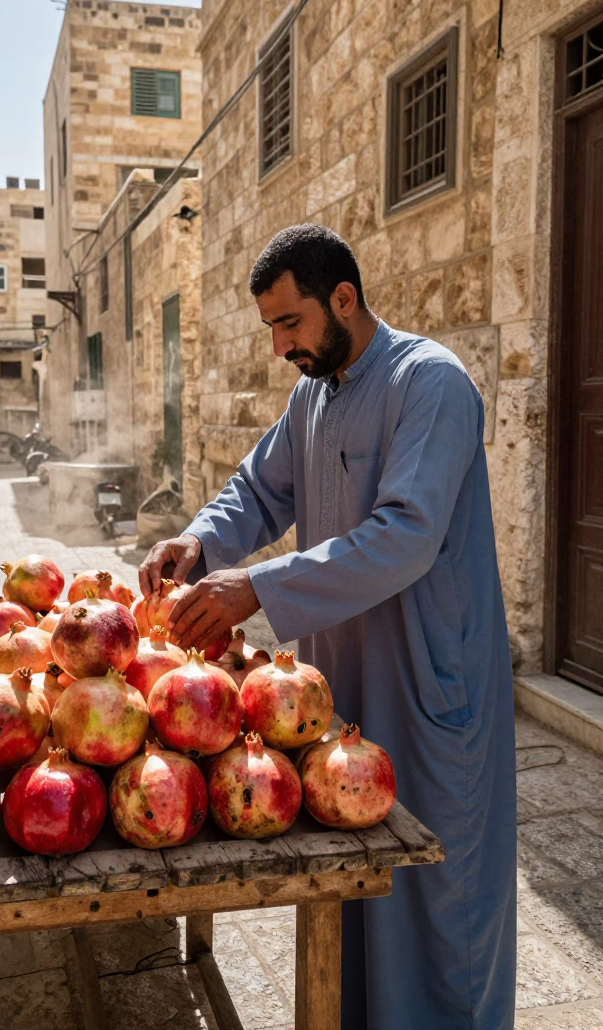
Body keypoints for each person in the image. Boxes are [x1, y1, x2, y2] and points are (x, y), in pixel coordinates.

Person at [139, 224, 516, 1030]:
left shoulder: (432, 385)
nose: (281, 346)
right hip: (337, 693)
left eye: (291, 323)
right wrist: (200, 541)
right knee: (349, 878)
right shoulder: (313, 393)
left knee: (437, 898)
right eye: (271, 327)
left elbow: (406, 535)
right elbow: (258, 491)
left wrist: (257, 589)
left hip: (428, 685)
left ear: (343, 298)